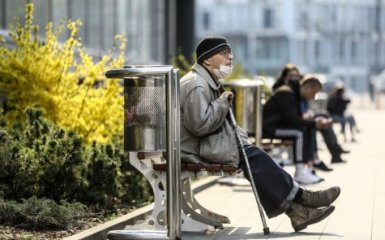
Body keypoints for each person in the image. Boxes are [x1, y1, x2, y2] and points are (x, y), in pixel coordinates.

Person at [180, 35, 340, 232]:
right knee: (254, 158)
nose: (230, 57)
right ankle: (301, 198)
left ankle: (298, 211)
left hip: (205, 144)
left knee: (254, 158)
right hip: (194, 148)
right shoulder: (197, 84)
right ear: (207, 59)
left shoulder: (205, 81)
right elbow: (198, 125)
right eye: (224, 53)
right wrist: (222, 102)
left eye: (230, 53)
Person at [263, 75, 332, 184]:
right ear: (308, 87)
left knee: (307, 128)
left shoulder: (294, 94)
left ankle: (305, 169)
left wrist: (314, 121)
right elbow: (292, 119)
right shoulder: (287, 93)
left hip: (279, 125)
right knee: (300, 132)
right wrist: (314, 123)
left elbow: (294, 118)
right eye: (314, 93)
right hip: (270, 127)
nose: (313, 97)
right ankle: (300, 172)